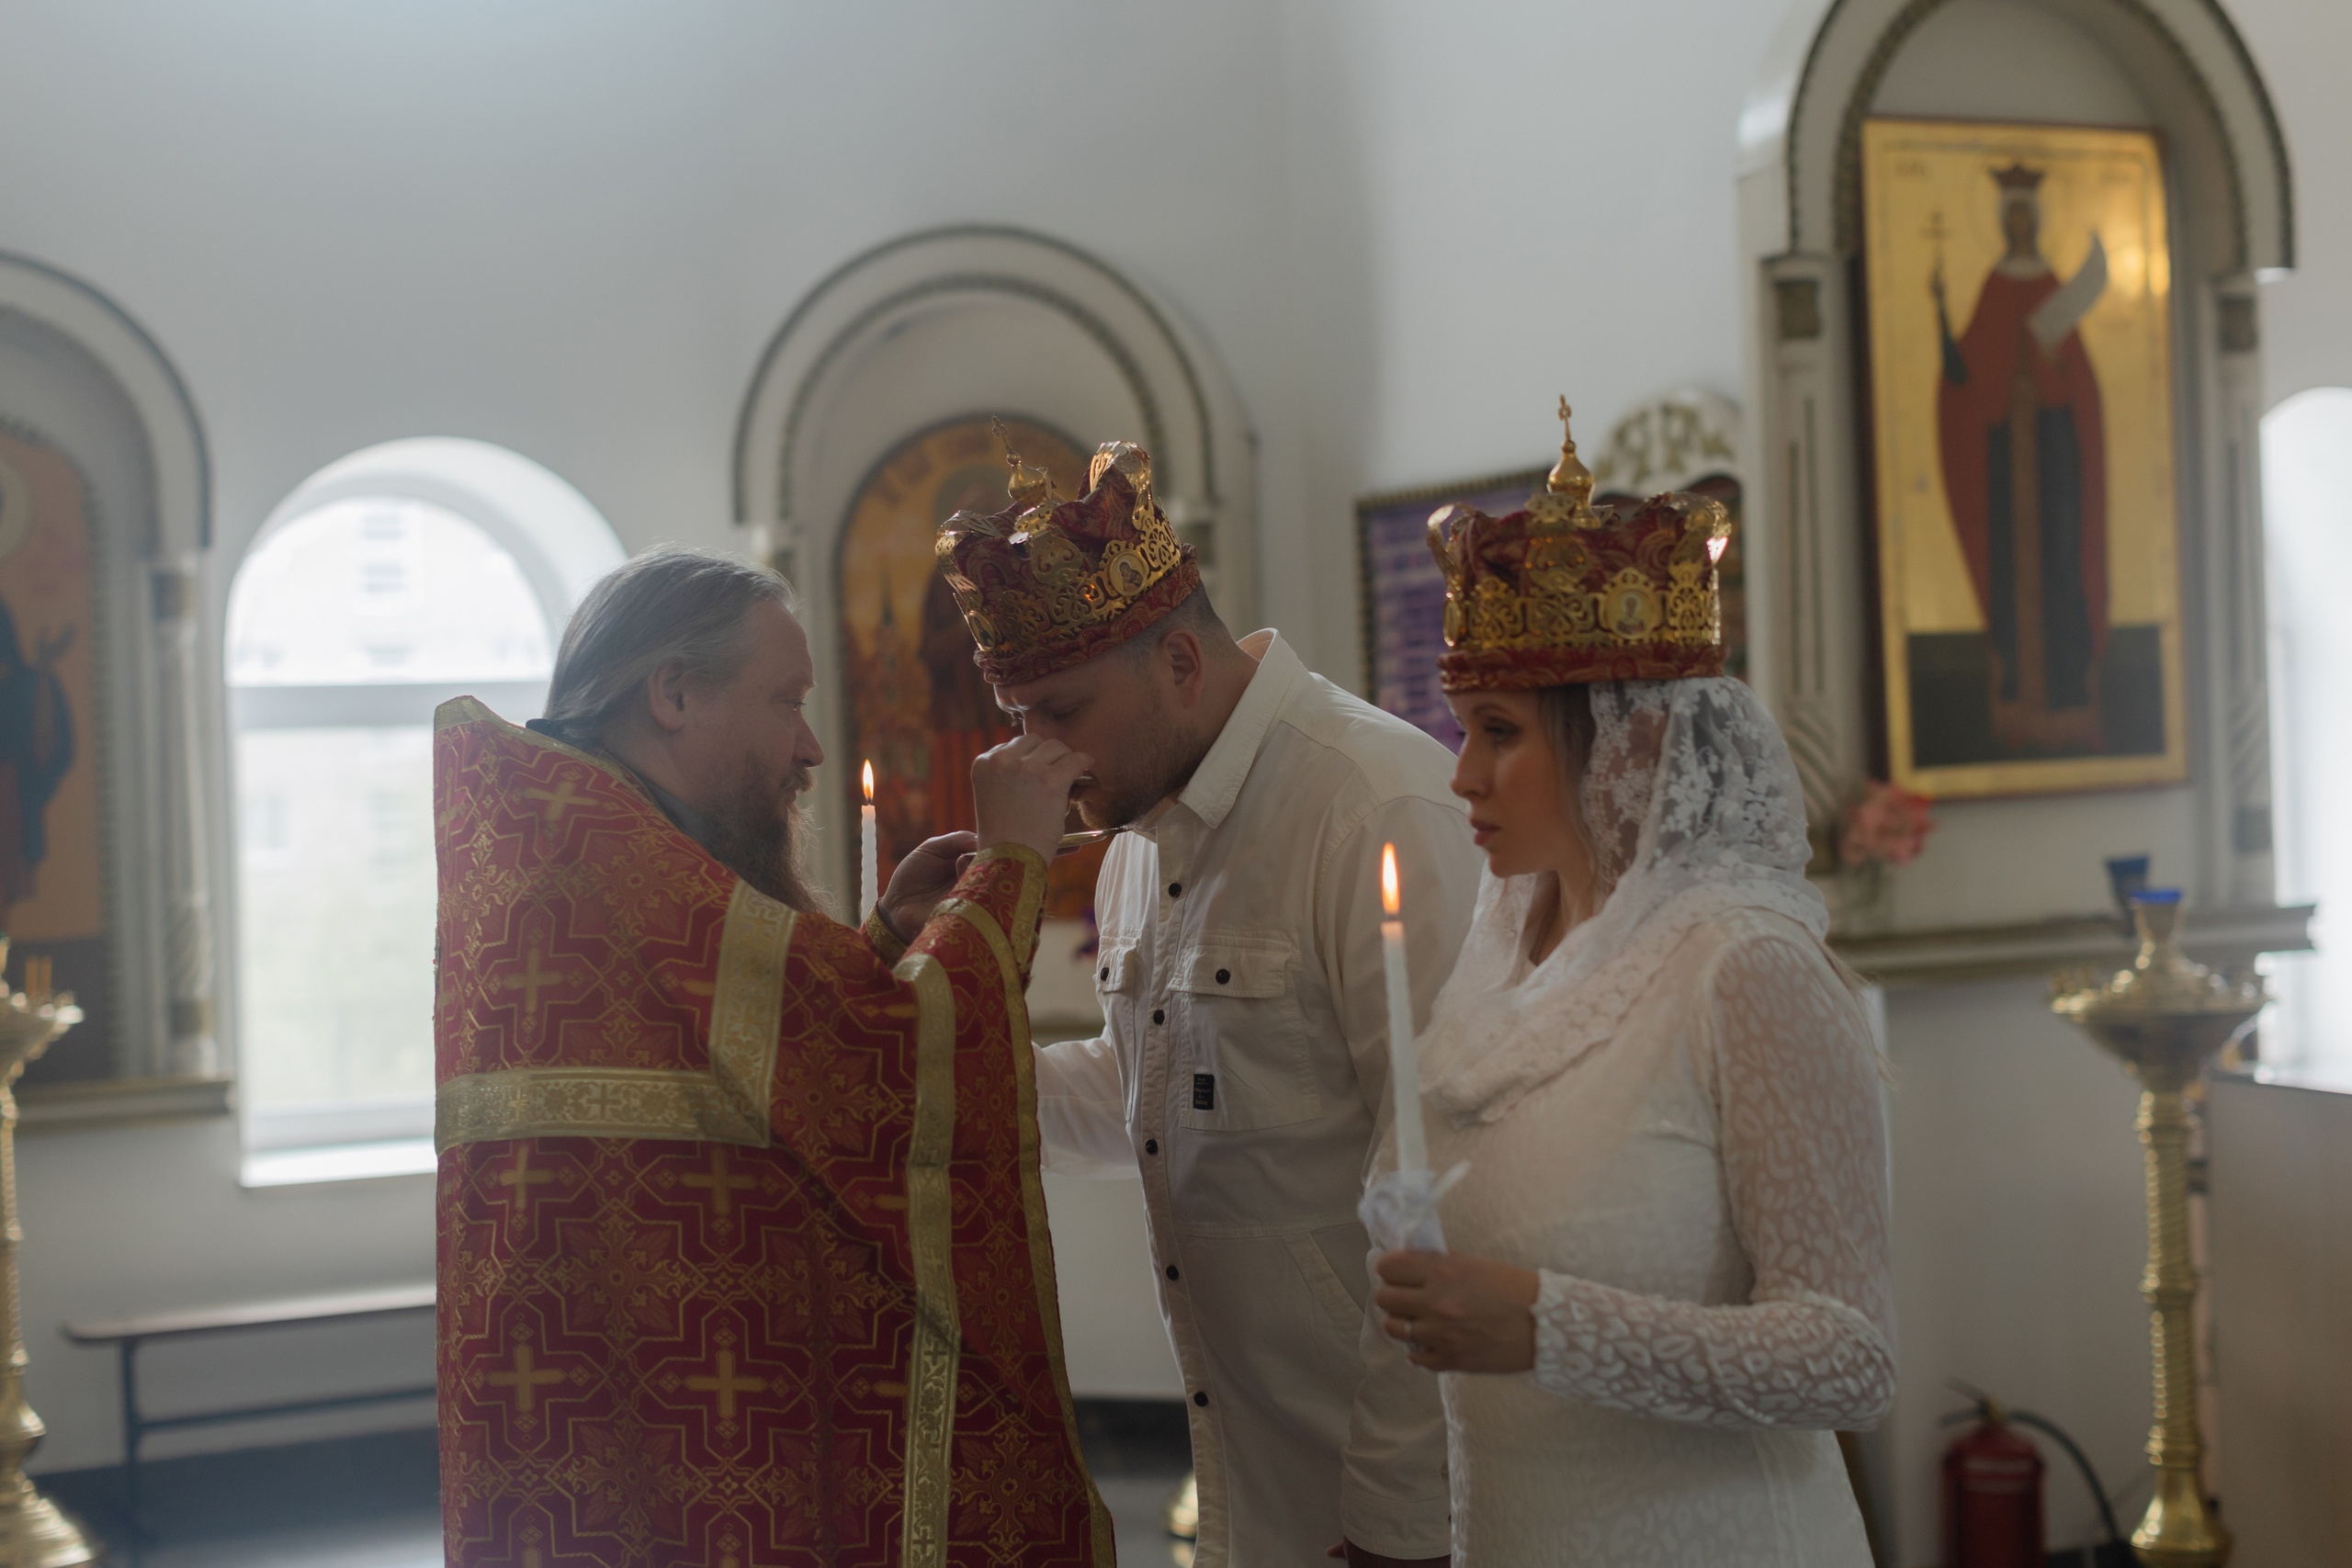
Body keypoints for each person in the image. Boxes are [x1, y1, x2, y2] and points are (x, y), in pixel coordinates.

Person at [434, 547, 1114, 1566]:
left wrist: (886, 939)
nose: (810, 747)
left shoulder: (568, 836)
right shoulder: (608, 856)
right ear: (674, 693)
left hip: (617, 1435)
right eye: (787, 701)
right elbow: (883, 1066)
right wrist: (1010, 867)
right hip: (653, 1429)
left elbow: (760, 1070)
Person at [926, 437, 1476, 1566]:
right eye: (1015, 718)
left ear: (1179, 661)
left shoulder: (1371, 803)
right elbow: (1146, 1085)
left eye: (1057, 713)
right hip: (1252, 1484)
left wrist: (1399, 1518)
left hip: (1393, 1500)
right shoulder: (1139, 829)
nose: (1030, 758)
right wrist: (915, 1067)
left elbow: (1449, 1180)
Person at [1370, 406, 1894, 1564]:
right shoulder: (1505, 950)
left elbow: (1849, 1358)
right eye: (1461, 731)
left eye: (1499, 732)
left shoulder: (1742, 968)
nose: (1461, 776)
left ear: (1633, 745)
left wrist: (1546, 1328)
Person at [1933, 161, 2109, 753]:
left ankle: (2067, 694)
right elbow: (1964, 371)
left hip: (2055, 455)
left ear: (2033, 221)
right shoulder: (1993, 286)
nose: (2016, 226)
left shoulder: (2052, 285)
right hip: (2005, 458)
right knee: (2010, 567)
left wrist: (2054, 365)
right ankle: (2016, 697)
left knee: (2061, 562)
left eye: (2022, 217)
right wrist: (1940, 318)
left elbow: (2081, 382)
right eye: (2008, 217)